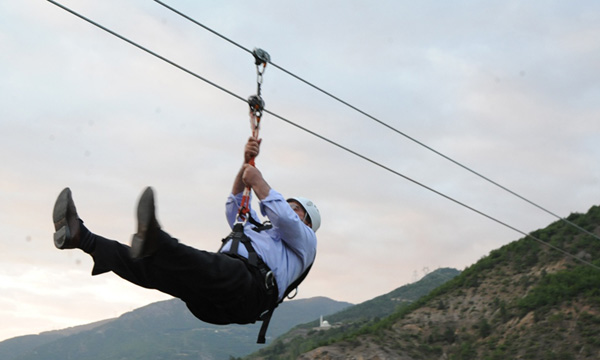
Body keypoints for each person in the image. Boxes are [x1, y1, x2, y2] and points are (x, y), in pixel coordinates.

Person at [52, 137, 319, 341]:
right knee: (153, 270)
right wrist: (245, 163)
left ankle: (157, 241)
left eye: (296, 208)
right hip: (214, 298)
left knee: (214, 266)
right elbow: (234, 203)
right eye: (289, 203)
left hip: (249, 289)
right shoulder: (255, 229)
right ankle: (83, 238)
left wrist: (259, 181)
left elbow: (285, 219)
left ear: (307, 222)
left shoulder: (305, 243)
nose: (288, 207)